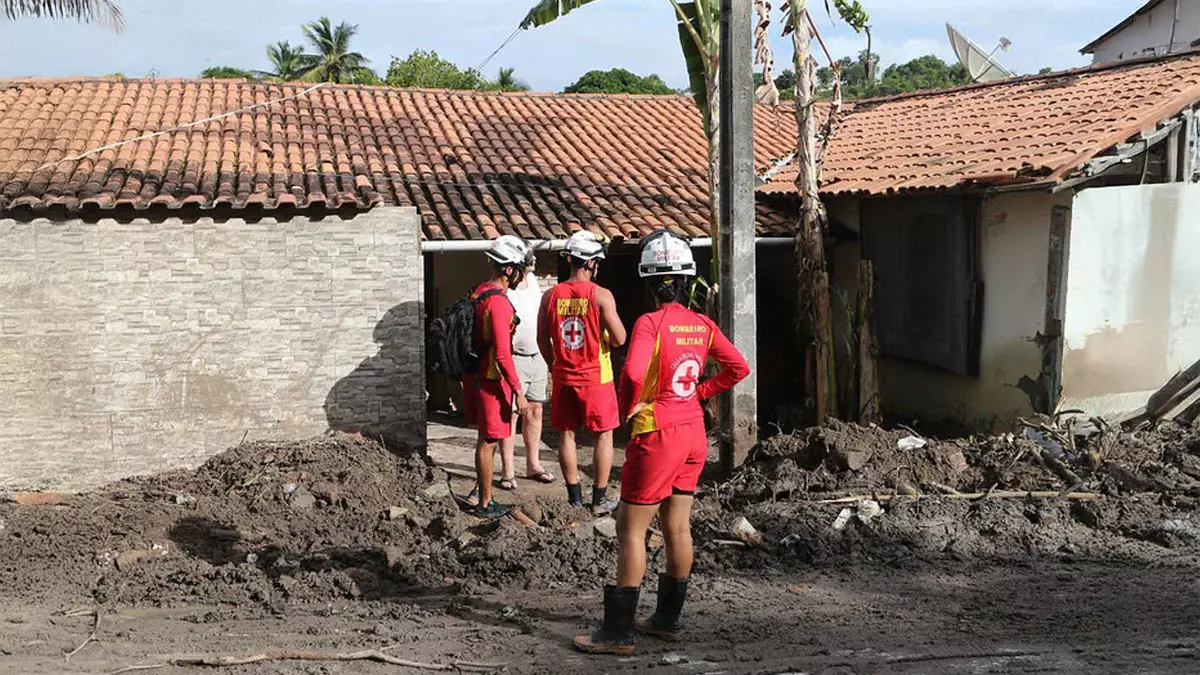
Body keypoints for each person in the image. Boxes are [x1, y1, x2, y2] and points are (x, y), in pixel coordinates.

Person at [574, 230, 750, 655]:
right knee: (677, 525)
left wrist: (631, 405)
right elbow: (738, 367)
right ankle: (666, 620)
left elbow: (633, 373)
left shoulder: (649, 323)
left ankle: (618, 633)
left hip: (658, 433)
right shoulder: (702, 324)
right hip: (693, 433)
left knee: (631, 530)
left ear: (649, 282)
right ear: (687, 281)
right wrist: (700, 394)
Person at [538, 231, 627, 514]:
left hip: (563, 376)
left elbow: (542, 338)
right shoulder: (601, 295)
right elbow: (620, 338)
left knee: (566, 435)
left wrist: (556, 364)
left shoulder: (550, 296)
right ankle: (599, 500)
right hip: (596, 379)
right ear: (590, 263)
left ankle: (574, 498)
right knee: (604, 435)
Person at [461, 234, 532, 518]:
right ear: (509, 270)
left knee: (485, 440)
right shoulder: (499, 303)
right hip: (491, 382)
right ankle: (485, 503)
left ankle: (483, 493)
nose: (522, 276)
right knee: (488, 441)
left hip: (476, 377)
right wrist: (519, 392)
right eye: (521, 270)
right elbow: (503, 355)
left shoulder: (479, 292)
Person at [498, 254, 555, 490]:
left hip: (537, 356)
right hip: (514, 357)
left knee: (535, 410)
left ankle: (534, 464)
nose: (532, 264)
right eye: (528, 260)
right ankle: (508, 470)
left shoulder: (533, 283)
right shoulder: (507, 290)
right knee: (510, 414)